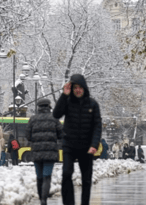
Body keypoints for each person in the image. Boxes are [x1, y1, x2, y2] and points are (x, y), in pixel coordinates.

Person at [53, 74, 102, 205]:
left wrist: (94, 144)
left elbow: (97, 126)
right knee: (66, 174)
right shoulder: (67, 101)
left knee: (86, 179)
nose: (78, 90)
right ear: (72, 88)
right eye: (75, 87)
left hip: (87, 146)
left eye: (80, 87)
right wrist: (64, 95)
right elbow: (56, 114)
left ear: (84, 88)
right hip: (69, 144)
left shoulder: (93, 104)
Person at [26, 98, 63, 205]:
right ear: (49, 106)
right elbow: (61, 134)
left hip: (37, 152)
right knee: (47, 176)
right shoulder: (54, 119)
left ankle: (40, 197)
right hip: (50, 152)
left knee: (39, 176)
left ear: (38, 107)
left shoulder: (33, 119)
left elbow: (28, 136)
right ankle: (44, 199)